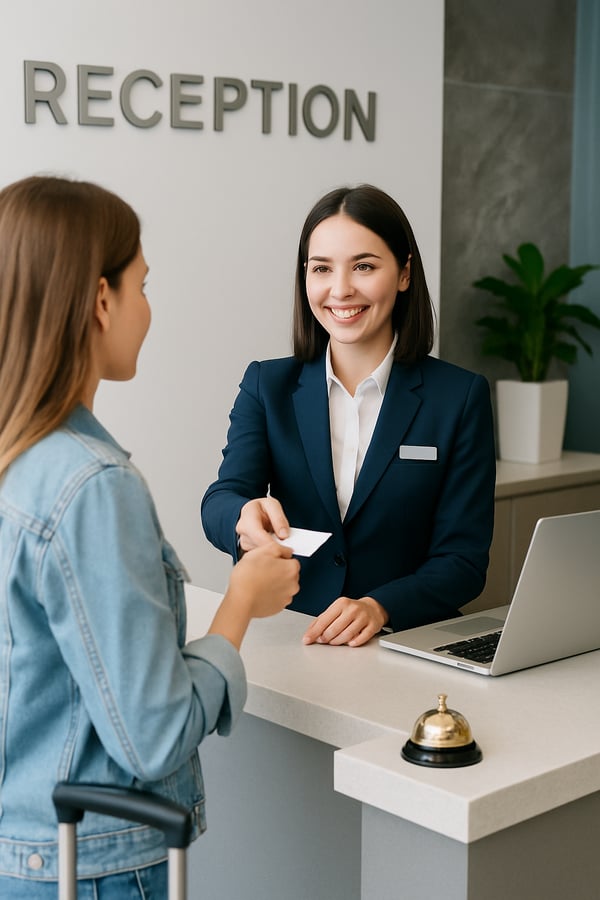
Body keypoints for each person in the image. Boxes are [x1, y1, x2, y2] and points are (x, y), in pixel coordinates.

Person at [0, 175, 299, 898]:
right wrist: (240, 605)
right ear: (100, 300)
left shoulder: (21, 463)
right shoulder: (92, 486)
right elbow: (156, 733)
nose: (148, 308)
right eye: (142, 285)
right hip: (96, 867)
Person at [201, 184, 496, 648]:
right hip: (293, 635)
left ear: (403, 274)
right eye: (321, 269)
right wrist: (242, 514)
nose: (340, 290)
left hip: (406, 643)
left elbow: (462, 560)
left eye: (364, 266)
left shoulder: (459, 397)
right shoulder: (267, 385)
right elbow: (221, 498)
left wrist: (382, 606)